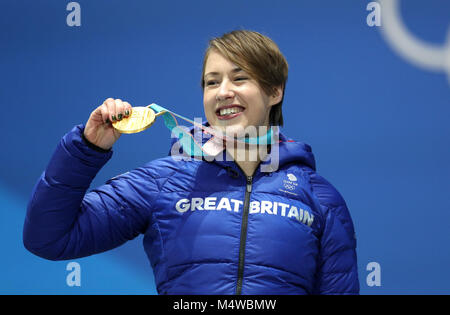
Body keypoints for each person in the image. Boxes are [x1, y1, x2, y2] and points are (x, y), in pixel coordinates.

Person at [23, 30, 359, 295]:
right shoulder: (164, 181)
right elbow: (49, 238)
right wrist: (87, 148)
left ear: (274, 92)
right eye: (212, 82)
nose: (223, 91)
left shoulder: (319, 198)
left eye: (239, 78)